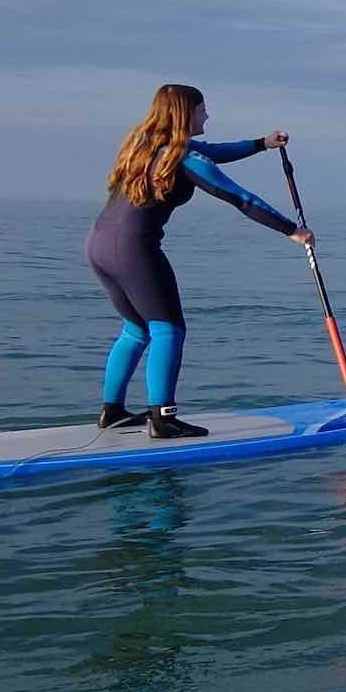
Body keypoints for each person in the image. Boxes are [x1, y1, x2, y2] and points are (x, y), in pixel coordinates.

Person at [85, 84, 312, 439]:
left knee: (136, 329)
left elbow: (213, 152)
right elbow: (240, 198)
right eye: (202, 109)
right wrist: (291, 230)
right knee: (168, 329)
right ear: (185, 113)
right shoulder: (184, 158)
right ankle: (163, 418)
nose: (206, 115)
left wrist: (261, 144)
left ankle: (111, 411)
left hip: (98, 246)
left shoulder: (144, 148)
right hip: (134, 251)